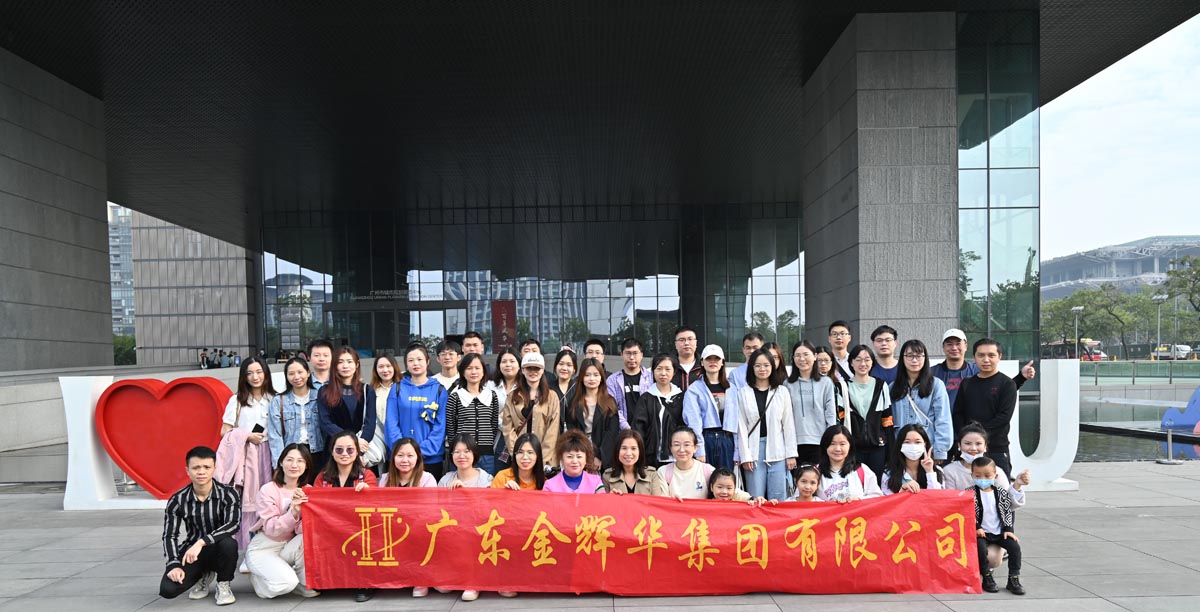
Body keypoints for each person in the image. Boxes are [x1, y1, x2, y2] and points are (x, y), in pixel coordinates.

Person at [158, 446, 240, 605]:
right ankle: (204, 575)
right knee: (168, 590)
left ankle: (223, 583)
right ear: (187, 471)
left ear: (214, 469)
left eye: (207, 467)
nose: (201, 472)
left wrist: (202, 542)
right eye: (196, 468)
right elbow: (169, 535)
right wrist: (173, 564)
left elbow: (233, 524)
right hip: (192, 553)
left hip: (219, 548)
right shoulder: (177, 499)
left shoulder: (228, 493)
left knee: (229, 543)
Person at [217, 357, 275, 555]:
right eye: (249, 373)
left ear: (266, 373)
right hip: (247, 456)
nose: (255, 377)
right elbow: (225, 431)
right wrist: (247, 436)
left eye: (259, 372)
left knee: (271, 498)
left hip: (270, 453)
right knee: (248, 501)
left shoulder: (274, 399)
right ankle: (249, 548)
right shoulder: (237, 401)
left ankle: (271, 546)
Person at [246, 443, 317, 599]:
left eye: (300, 461)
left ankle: (302, 583)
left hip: (288, 546)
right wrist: (293, 511)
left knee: (306, 538)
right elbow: (271, 529)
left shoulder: (308, 490)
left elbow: (302, 530)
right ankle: (258, 580)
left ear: (306, 466)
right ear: (281, 462)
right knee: (286, 584)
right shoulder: (268, 489)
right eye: (289, 460)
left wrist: (303, 514)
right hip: (265, 546)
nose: (294, 465)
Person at [376, 438, 435, 600]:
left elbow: (430, 510)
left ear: (418, 458)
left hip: (418, 528)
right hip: (392, 527)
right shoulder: (385, 479)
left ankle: (420, 579)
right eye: (400, 455)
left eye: (410, 455)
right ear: (393, 457)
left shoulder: (427, 479)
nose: (405, 460)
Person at [736, 347, 797, 501]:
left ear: (772, 367)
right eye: (757, 365)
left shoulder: (781, 391)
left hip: (778, 449)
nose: (762, 369)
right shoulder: (744, 393)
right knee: (756, 498)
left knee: (779, 499)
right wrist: (745, 456)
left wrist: (791, 454)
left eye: (766, 365)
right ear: (751, 368)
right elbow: (741, 426)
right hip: (754, 451)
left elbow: (788, 425)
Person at [952, 338, 1018, 476]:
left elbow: (1003, 417)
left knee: (1000, 487)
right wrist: (967, 437)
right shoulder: (967, 383)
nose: (986, 360)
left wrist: (978, 435)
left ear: (999, 356)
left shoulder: (1007, 384)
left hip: (996, 448)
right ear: (974, 357)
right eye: (981, 355)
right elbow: (958, 413)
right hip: (968, 449)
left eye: (991, 355)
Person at [386, 343, 448, 479]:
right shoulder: (397, 388)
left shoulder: (439, 390)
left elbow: (441, 426)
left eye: (420, 359)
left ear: (427, 362)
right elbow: (391, 423)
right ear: (406, 364)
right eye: (411, 360)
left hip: (430, 459)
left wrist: (419, 451)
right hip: (401, 460)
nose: (415, 363)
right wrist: (403, 452)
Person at [932, 328, 1034, 407]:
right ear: (943, 347)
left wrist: (1021, 377)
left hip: (970, 426)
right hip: (940, 426)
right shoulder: (932, 373)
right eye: (949, 344)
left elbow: (1002, 389)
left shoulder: (978, 371)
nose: (954, 348)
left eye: (958, 344)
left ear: (966, 346)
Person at [316, 347, 377, 474]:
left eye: (349, 361)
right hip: (334, 450)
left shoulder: (367, 390)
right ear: (335, 366)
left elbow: (370, 423)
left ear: (357, 364)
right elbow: (325, 422)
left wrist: (359, 445)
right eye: (340, 362)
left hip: (361, 449)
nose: (345, 366)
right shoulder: (325, 391)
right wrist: (352, 441)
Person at [890, 339, 952, 461]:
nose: (914, 360)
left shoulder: (936, 385)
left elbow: (943, 419)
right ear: (902, 358)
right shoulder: (893, 387)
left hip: (928, 447)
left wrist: (940, 451)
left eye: (918, 356)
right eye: (909, 356)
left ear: (925, 358)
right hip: (900, 447)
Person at [972, 456, 1026, 595]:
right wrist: (977, 527)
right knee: (980, 549)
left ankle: (1013, 579)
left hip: (999, 532)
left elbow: (1007, 511)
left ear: (995, 476)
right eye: (978, 476)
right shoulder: (969, 493)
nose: (982, 479)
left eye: (987, 475)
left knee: (1015, 548)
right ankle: (987, 576)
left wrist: (1008, 529)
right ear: (972, 475)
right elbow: (968, 514)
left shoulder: (1001, 493)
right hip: (981, 533)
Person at [943, 423, 1030, 508]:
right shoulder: (949, 471)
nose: (973, 448)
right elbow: (948, 502)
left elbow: (1007, 504)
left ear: (985, 446)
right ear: (959, 445)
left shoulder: (997, 471)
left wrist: (1017, 486)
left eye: (978, 444)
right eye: (968, 443)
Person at [501, 352, 560, 469]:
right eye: (529, 368)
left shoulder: (552, 396)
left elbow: (552, 432)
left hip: (544, 460)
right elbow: (508, 429)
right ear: (522, 370)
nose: (533, 372)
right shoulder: (513, 396)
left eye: (536, 368)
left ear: (542, 370)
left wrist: (541, 459)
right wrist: (519, 455)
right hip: (519, 458)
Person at [841, 345, 892, 480]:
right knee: (855, 484)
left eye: (867, 359)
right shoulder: (843, 386)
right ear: (851, 362)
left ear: (872, 362)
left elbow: (887, 419)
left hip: (877, 445)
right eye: (858, 360)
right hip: (853, 447)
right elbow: (840, 419)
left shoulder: (881, 385)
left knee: (876, 484)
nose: (863, 364)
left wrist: (890, 451)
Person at [445, 352, 501, 475]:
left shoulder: (492, 395)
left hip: (486, 455)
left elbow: (493, 425)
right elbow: (451, 428)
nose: (473, 372)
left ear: (483, 371)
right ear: (463, 372)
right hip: (462, 455)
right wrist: (457, 450)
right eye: (469, 368)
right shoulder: (455, 397)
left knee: (486, 485)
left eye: (477, 368)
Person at [683, 344, 737, 470]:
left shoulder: (732, 388)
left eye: (716, 359)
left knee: (726, 478)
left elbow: (736, 420)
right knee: (705, 479)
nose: (713, 362)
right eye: (708, 359)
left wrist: (738, 451)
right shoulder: (694, 389)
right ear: (702, 362)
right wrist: (699, 449)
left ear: (722, 362)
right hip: (706, 438)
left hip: (727, 439)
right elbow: (693, 421)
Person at [267, 357, 324, 474]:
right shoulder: (279, 401)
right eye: (291, 373)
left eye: (300, 372)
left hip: (318, 454)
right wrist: (279, 464)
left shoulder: (320, 396)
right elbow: (275, 435)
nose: (296, 377)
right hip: (291, 455)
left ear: (308, 373)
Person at [785, 340, 837, 466]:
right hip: (795, 444)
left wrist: (831, 441)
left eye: (806, 354)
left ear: (815, 356)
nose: (802, 359)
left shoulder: (826, 383)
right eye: (797, 355)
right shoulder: (787, 385)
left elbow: (830, 414)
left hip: (820, 442)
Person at [564, 358, 622, 471]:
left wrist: (599, 456)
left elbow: (611, 433)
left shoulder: (610, 402)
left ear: (601, 378)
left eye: (596, 375)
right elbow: (572, 432)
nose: (592, 379)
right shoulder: (574, 402)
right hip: (579, 454)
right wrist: (582, 456)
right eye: (587, 375)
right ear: (581, 377)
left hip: (603, 456)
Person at [628, 354, 685, 468]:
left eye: (668, 369)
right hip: (652, 457)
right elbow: (638, 428)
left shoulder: (682, 397)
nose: (663, 373)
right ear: (653, 371)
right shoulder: (646, 398)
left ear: (674, 372)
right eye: (659, 369)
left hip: (678, 455)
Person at [817, 424, 883, 502]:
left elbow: (877, 498)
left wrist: (858, 500)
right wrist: (826, 503)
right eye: (832, 444)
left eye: (842, 444)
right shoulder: (816, 472)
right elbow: (806, 500)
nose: (837, 449)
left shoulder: (862, 470)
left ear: (850, 446)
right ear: (825, 446)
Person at [600, 429, 669, 495]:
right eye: (624, 448)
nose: (628, 453)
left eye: (633, 448)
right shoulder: (607, 476)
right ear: (617, 451)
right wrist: (610, 497)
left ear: (640, 451)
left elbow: (657, 501)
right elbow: (603, 502)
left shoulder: (652, 475)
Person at [881, 424, 943, 495]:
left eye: (917, 442)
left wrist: (929, 472)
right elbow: (888, 500)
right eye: (907, 442)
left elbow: (937, 497)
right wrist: (902, 491)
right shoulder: (889, 474)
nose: (913, 446)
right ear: (900, 445)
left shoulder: (937, 471)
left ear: (925, 444)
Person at [367, 354, 402, 472]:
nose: (385, 370)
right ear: (376, 369)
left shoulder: (403, 388)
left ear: (394, 367)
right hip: (377, 437)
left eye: (388, 366)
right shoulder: (370, 390)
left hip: (398, 436)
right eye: (381, 367)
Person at [606, 338, 651, 429]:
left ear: (641, 355)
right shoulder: (613, 380)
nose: (631, 357)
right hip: (623, 431)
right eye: (628, 353)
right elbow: (612, 408)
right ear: (621, 355)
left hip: (648, 430)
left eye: (635, 353)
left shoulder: (651, 378)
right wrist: (627, 428)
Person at [659, 427, 715, 499]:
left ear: (695, 448)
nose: (682, 450)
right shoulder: (663, 472)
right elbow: (662, 501)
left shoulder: (708, 471)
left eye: (686, 445)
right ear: (670, 448)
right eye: (676, 445)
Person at [707, 467, 773, 506]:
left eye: (729, 488)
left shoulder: (738, 502)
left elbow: (747, 498)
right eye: (720, 487)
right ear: (711, 487)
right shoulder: (706, 505)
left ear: (734, 489)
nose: (724, 491)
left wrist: (756, 500)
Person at [671, 326, 704, 392]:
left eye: (690, 339)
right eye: (682, 340)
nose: (686, 343)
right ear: (675, 344)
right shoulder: (669, 366)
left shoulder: (704, 366)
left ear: (696, 343)